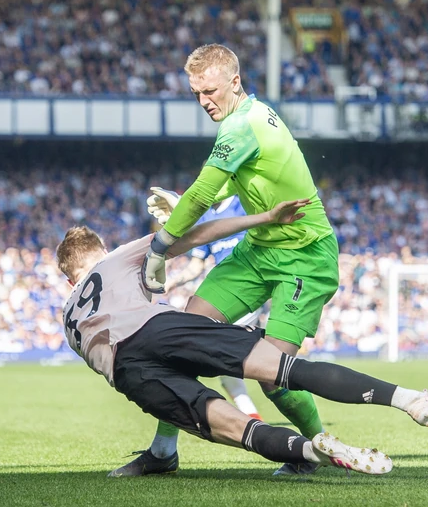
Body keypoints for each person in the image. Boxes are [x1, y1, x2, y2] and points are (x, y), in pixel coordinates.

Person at [57, 202, 428, 478]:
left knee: (240, 430)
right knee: (284, 370)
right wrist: (264, 218)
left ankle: (309, 452)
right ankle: (411, 401)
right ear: (100, 250)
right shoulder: (115, 258)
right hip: (159, 329)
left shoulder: (67, 318)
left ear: (69, 278)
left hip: (129, 373)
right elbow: (197, 235)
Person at [136, 43, 339, 476]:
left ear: (235, 81)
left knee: (272, 375)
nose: (203, 101)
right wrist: (183, 202)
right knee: (184, 336)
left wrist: (161, 245)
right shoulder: (251, 115)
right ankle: (163, 451)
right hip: (259, 249)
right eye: (196, 93)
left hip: (305, 255)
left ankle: (318, 449)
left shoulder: (241, 126)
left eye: (210, 91)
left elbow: (205, 192)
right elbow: (229, 184)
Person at [158, 194, 263, 421]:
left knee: (199, 349)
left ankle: (182, 416)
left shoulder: (242, 203)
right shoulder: (206, 218)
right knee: (233, 365)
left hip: (248, 290)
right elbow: (196, 266)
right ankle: (252, 417)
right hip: (223, 294)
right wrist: (171, 282)